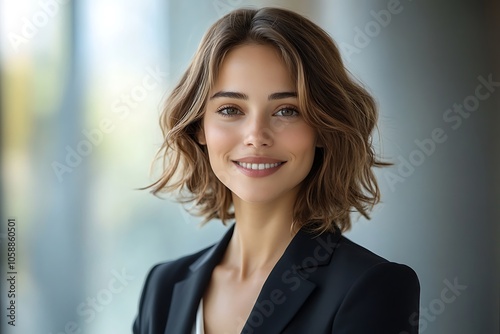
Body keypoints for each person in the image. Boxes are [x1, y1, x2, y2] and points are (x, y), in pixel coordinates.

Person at [133, 7, 420, 334]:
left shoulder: (373, 287)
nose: (256, 136)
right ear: (200, 127)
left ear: (323, 128)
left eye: (287, 110)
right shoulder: (163, 287)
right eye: (230, 109)